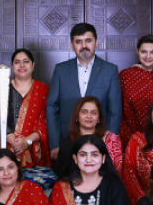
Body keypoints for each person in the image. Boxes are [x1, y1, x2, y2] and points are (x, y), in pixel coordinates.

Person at [46, 23, 122, 159]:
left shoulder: (110, 71)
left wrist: (110, 144)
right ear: (72, 45)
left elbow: (115, 111)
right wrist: (55, 144)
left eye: (88, 40)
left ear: (96, 43)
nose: (84, 45)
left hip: (99, 143)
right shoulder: (61, 70)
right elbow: (52, 107)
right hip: (66, 140)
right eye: (78, 41)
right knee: (67, 179)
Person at [0, 48, 49, 168]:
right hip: (7, 147)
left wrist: (27, 141)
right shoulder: (3, 88)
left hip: (34, 149)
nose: (21, 65)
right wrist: (13, 141)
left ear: (33, 65)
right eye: (17, 62)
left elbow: (46, 121)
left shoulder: (43, 90)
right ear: (12, 66)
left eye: (26, 61)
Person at [54, 96, 123, 177]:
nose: (89, 116)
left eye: (93, 113)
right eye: (84, 112)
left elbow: (116, 175)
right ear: (77, 116)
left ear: (99, 118)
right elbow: (62, 175)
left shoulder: (110, 140)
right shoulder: (67, 143)